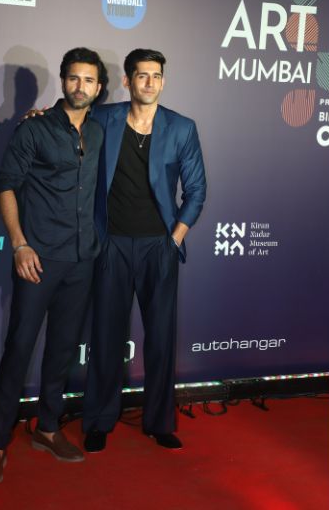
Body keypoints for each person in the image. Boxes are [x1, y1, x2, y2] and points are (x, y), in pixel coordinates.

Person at [0, 47, 107, 486]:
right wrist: (19, 244)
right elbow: (5, 185)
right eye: (73, 78)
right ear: (63, 80)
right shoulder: (34, 129)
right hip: (38, 257)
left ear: (99, 88)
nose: (80, 86)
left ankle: (47, 429)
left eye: (89, 80)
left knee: (63, 350)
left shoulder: (100, 131)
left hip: (82, 259)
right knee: (19, 348)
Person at [81, 49, 207, 451]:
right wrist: (38, 116)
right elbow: (68, 115)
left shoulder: (181, 127)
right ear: (127, 81)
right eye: (142, 75)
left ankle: (159, 422)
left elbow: (196, 190)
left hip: (159, 247)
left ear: (163, 82)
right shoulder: (104, 117)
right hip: (112, 245)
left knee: (161, 339)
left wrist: (175, 239)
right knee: (105, 337)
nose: (149, 83)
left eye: (156, 76)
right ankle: (99, 421)